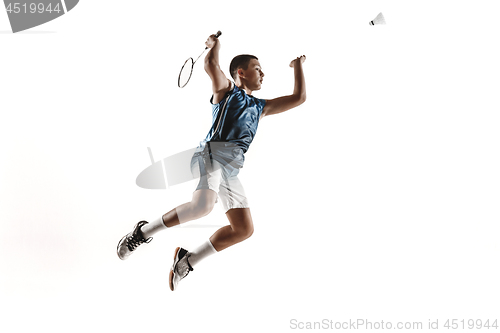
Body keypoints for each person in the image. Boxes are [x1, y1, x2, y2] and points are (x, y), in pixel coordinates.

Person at [117, 33, 306, 291]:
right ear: (241, 72)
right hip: (212, 154)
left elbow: (298, 98)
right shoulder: (227, 92)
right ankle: (141, 233)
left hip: (230, 168)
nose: (263, 74)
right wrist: (214, 46)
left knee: (243, 229)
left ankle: (187, 260)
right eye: (258, 69)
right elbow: (210, 66)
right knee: (203, 207)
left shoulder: (261, 107)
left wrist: (298, 68)